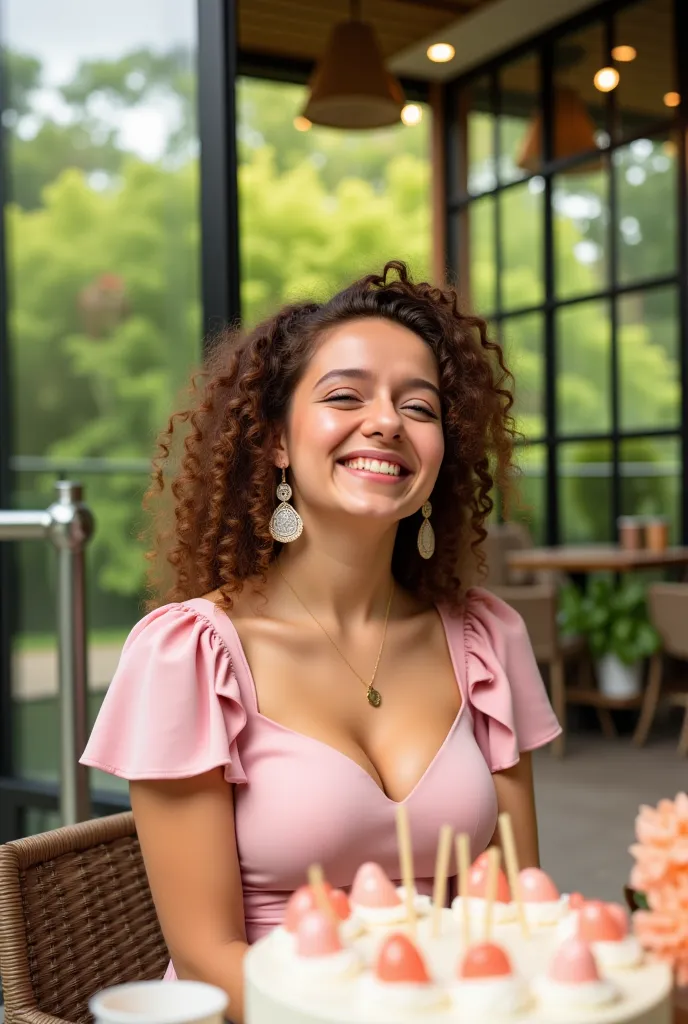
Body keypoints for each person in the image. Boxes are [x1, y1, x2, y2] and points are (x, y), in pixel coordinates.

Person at [81, 261, 561, 1024]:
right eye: (345, 395)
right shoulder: (192, 655)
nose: (387, 422)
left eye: (420, 406)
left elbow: (512, 912)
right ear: (274, 439)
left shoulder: (486, 642)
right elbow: (208, 957)